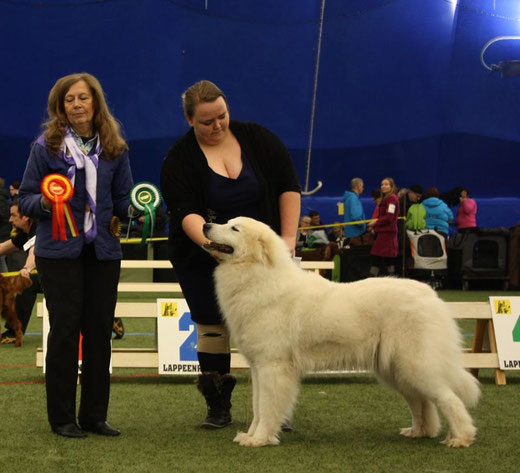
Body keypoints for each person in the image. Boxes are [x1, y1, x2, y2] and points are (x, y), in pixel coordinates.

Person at [160, 80, 300, 429]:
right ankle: (218, 404)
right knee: (211, 324)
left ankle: (273, 412)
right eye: (207, 121)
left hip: (263, 257)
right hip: (200, 253)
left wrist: (287, 238)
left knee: (273, 331)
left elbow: (288, 186)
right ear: (190, 120)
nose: (217, 125)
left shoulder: (258, 138)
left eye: (221, 116)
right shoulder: (178, 159)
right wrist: (213, 247)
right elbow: (186, 213)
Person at [18, 73, 135, 438]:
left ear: (96, 103)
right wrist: (52, 201)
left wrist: (134, 210)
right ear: (60, 106)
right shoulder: (45, 147)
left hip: (102, 251)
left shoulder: (114, 148)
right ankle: (63, 418)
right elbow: (24, 199)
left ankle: (95, 416)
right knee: (65, 332)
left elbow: (122, 199)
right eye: (69, 100)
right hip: (59, 250)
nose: (77, 105)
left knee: (99, 332)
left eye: (83, 98)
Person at [0, 200, 40, 344]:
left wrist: (26, 269)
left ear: (26, 218)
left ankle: (13, 332)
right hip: (52, 276)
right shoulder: (25, 233)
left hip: (63, 275)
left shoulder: (39, 228)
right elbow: (6, 247)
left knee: (28, 284)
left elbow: (34, 252)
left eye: (13, 215)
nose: (10, 219)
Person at [367, 177, 400, 277]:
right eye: (382, 184)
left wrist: (375, 223)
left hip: (388, 234)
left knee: (380, 257)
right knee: (383, 258)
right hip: (384, 232)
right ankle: (388, 278)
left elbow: (389, 217)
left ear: (391, 186)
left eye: (386, 184)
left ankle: (377, 279)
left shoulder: (392, 199)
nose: (383, 186)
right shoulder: (387, 198)